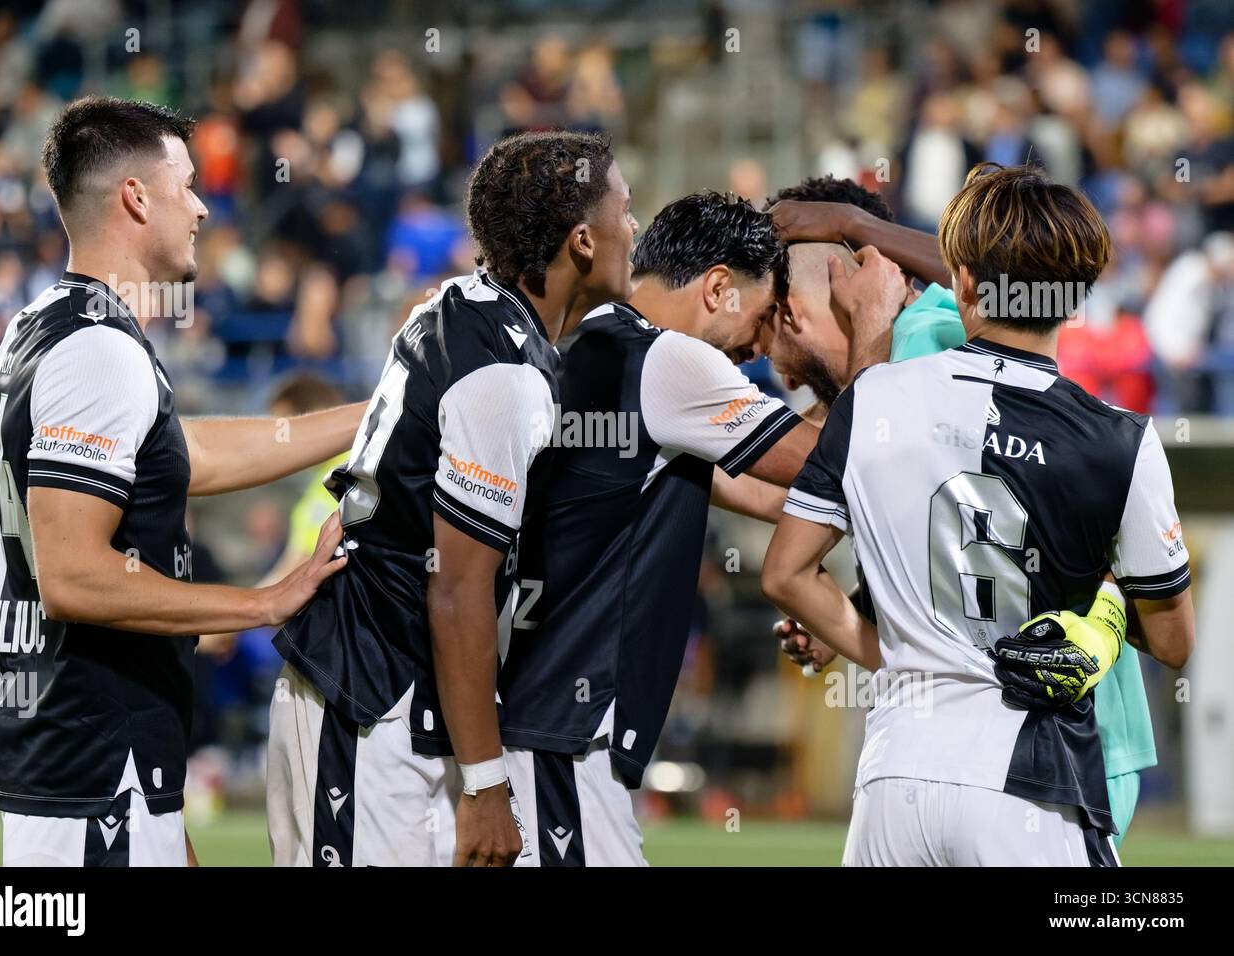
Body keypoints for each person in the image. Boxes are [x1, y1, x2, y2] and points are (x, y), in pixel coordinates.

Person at [760, 164, 1195, 866]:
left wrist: (884, 641)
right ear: (1077, 296)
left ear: (957, 280)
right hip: (1037, 771)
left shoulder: (877, 393)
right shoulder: (1121, 439)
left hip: (896, 774)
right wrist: (1106, 618)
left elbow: (786, 573)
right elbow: (1174, 642)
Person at [0, 96, 363, 867]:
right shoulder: (99, 351)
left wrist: (380, 411)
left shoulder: (50, 327)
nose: (201, 206)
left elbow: (187, 454)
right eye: (186, 185)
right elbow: (76, 578)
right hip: (91, 765)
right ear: (135, 197)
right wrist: (265, 601)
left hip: (95, 764)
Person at [266, 131, 638, 866]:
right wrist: (487, 784)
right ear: (584, 240)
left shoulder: (464, 307)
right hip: (371, 699)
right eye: (626, 211)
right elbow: (457, 587)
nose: (636, 229)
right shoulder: (504, 372)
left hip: (392, 693)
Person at [497, 191, 840, 865]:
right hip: (565, 727)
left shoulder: (591, 346)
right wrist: (873, 339)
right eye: (765, 314)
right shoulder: (667, 362)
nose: (761, 346)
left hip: (540, 717)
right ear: (718, 288)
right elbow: (836, 466)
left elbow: (775, 495)